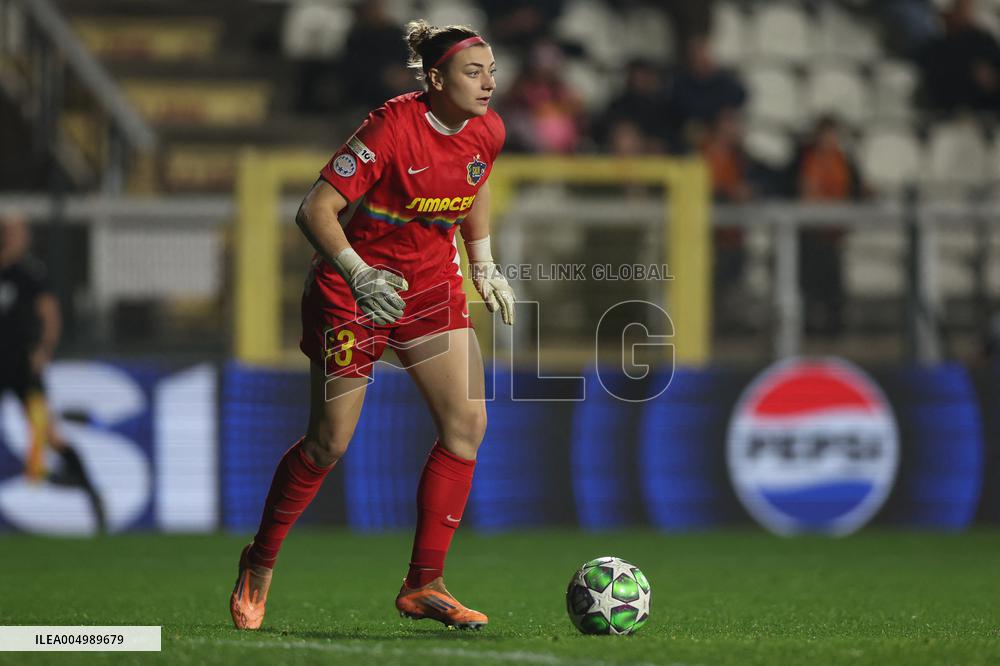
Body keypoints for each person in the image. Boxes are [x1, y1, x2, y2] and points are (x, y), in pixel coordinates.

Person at [229, 20, 516, 632]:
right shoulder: (390, 127)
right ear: (435, 79)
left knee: (468, 424)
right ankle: (260, 559)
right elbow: (315, 210)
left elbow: (476, 181)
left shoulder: (488, 128)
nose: (488, 83)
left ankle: (424, 585)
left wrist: (484, 263)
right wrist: (359, 275)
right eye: (474, 72)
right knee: (329, 442)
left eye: (492, 70)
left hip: (431, 286)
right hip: (354, 289)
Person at [0, 213, 105, 531]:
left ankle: (92, 497)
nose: (10, 236)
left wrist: (44, 349)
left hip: (22, 368)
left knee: (47, 434)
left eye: (14, 231)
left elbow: (50, 315)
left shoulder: (31, 274)